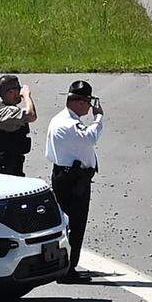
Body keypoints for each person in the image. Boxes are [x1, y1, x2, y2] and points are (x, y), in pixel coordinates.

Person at [45, 80, 105, 283]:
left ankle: (67, 266)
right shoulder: (69, 124)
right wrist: (99, 118)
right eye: (88, 102)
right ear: (78, 102)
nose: (90, 106)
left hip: (66, 175)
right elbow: (90, 138)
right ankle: (68, 270)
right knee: (75, 224)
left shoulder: (61, 119)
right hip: (73, 179)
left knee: (68, 222)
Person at [0, 75, 37, 176]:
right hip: (5, 167)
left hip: (1, 165)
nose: (20, 92)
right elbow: (31, 115)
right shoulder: (5, 111)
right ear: (10, 92)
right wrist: (27, 96)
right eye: (18, 89)